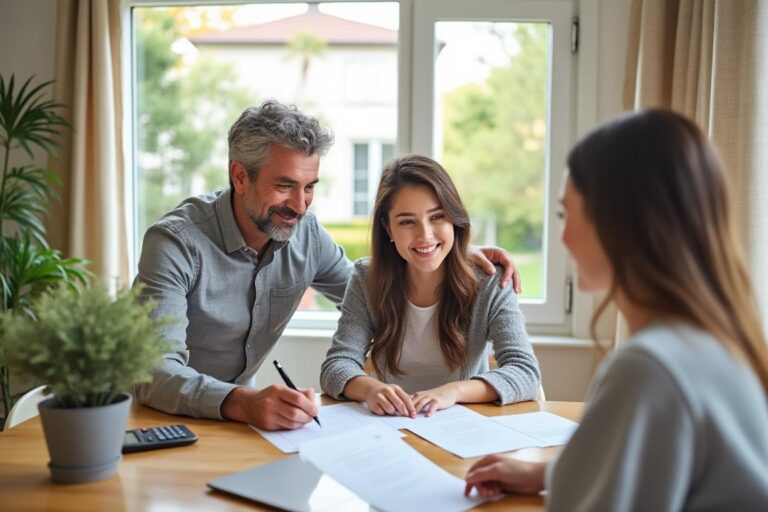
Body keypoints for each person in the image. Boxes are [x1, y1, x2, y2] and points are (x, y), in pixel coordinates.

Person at [134, 99, 521, 431]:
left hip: (240, 424)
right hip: (159, 417)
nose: (300, 205)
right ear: (240, 176)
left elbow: (373, 289)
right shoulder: (175, 243)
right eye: (285, 185)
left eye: (310, 187)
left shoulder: (305, 234)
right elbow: (153, 372)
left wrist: (443, 254)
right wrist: (246, 402)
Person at [464, 110, 768, 509]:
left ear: (619, 222)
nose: (564, 236)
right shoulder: (719, 341)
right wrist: (547, 473)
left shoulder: (649, 370)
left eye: (567, 213)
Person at [320, 154, 540, 417]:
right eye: (407, 222)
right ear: (388, 229)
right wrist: (370, 389)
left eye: (437, 217)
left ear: (454, 220)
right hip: (394, 427)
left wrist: (452, 392)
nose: (425, 235)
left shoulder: (490, 280)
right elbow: (336, 365)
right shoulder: (367, 279)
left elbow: (525, 372)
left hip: (465, 429)